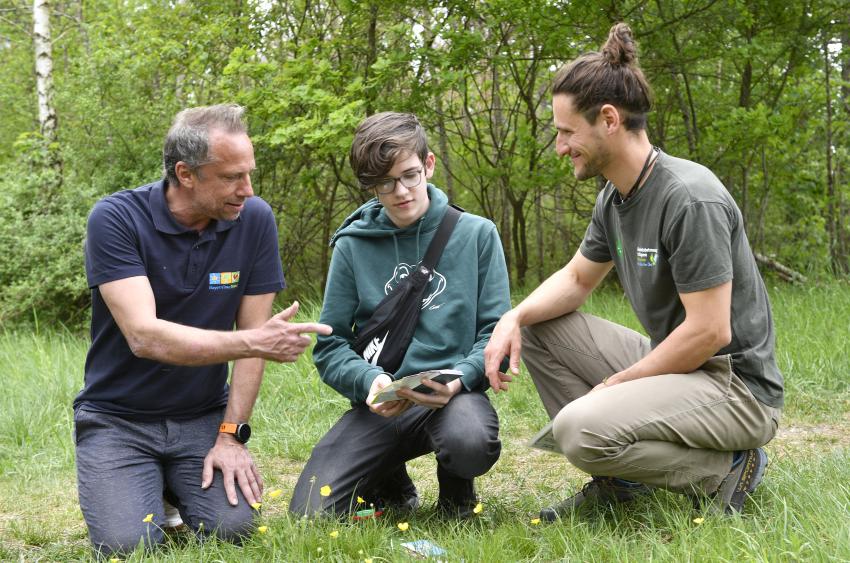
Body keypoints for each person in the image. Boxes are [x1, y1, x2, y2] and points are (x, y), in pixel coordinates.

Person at [484, 24, 783, 521]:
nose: (559, 147)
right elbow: (578, 280)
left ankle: (728, 468)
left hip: (736, 388)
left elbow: (710, 331)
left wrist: (623, 381)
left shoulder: (689, 198)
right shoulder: (614, 197)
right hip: (683, 366)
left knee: (579, 429)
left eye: (565, 132)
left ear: (608, 119)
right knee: (540, 327)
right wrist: (513, 317)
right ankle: (620, 480)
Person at [75, 104, 331, 555]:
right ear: (186, 174)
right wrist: (254, 341)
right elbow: (145, 337)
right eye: (233, 177)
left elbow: (256, 336)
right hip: (118, 419)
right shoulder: (115, 219)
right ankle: (144, 485)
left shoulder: (253, 219)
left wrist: (231, 434)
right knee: (127, 546)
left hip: (202, 417)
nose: (247, 190)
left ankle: (173, 484)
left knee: (233, 530)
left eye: (249, 174)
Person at [289, 112, 510, 518]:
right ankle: (392, 485)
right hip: (384, 400)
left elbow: (497, 334)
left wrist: (462, 377)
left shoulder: (477, 234)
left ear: (428, 164)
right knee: (310, 514)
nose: (401, 191)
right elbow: (331, 344)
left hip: (454, 399)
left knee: (470, 441)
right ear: (371, 186)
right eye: (385, 183)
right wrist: (370, 381)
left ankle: (457, 494)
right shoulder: (352, 246)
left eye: (409, 175)